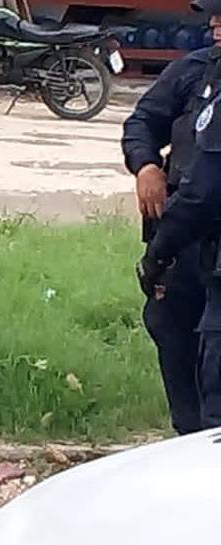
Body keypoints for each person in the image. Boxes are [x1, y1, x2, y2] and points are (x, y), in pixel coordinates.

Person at [122, 1, 221, 434]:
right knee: (172, 330)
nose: (215, 22)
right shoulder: (193, 72)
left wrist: (158, 254)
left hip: (203, 233)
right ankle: (187, 439)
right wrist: (145, 165)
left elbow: (206, 189)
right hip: (183, 240)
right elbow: (143, 120)